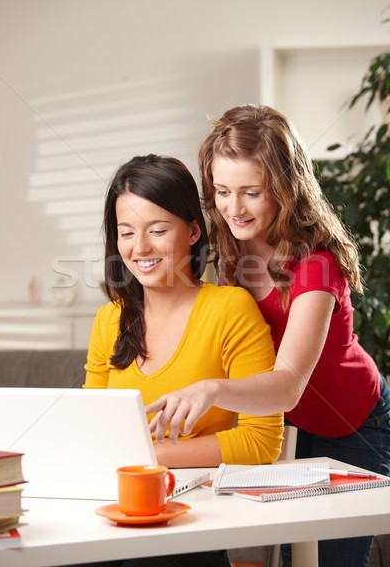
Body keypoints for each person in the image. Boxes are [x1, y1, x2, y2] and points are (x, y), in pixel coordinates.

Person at [146, 105, 390, 567]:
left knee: (336, 559)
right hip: (287, 428)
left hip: (353, 424)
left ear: (285, 187)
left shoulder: (316, 267)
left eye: (251, 193)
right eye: (221, 191)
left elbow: (287, 383)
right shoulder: (230, 255)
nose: (233, 208)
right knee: (292, 554)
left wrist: (212, 388)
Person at [82, 153, 283, 567]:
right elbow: (91, 429)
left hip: (189, 526)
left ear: (193, 231)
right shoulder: (110, 319)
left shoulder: (230, 308)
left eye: (157, 230)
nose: (140, 248)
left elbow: (262, 442)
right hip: (109, 517)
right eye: (126, 233)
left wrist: (145, 457)